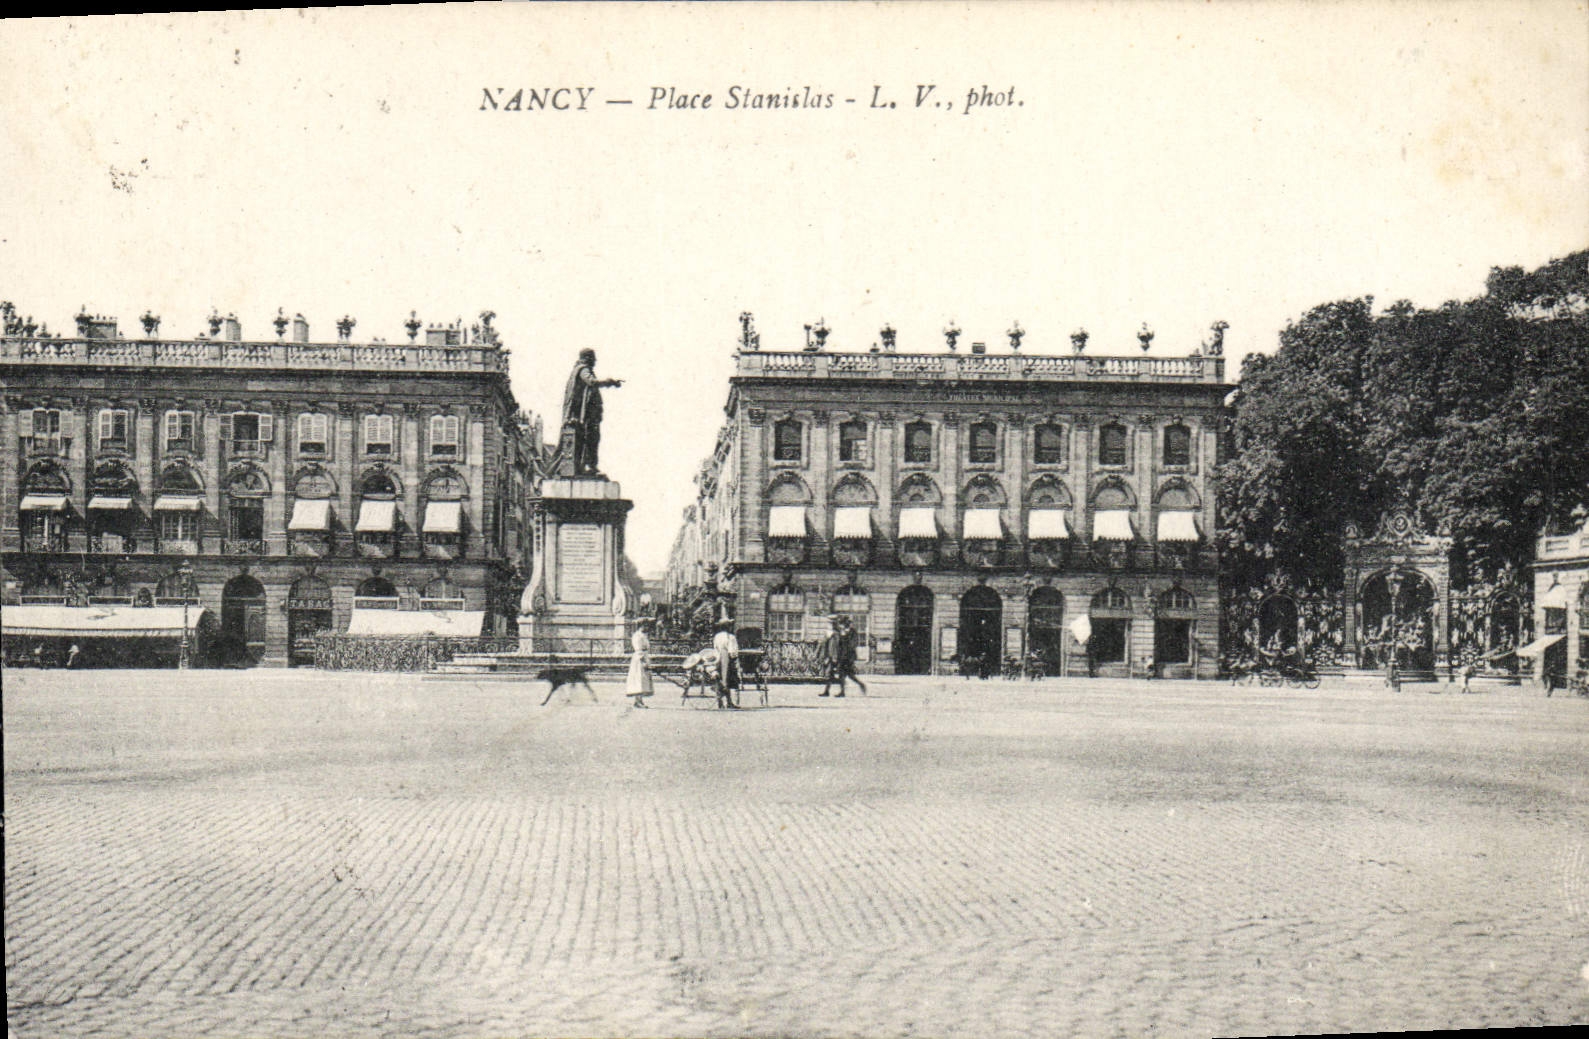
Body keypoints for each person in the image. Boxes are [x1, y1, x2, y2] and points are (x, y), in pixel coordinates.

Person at [560, 348, 623, 476]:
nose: (595, 361)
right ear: (587, 358)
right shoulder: (583, 370)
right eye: (593, 358)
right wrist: (609, 382)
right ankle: (589, 466)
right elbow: (592, 382)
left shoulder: (578, 370)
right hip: (587, 416)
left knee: (590, 439)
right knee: (591, 439)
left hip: (588, 415)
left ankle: (587, 466)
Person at [711, 623, 741, 709]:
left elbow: (715, 647)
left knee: (718, 678)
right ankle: (729, 701)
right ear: (728, 627)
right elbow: (732, 652)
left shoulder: (717, 636)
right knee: (728, 680)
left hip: (718, 659)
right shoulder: (730, 637)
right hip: (727, 660)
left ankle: (720, 702)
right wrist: (735, 657)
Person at [626, 623, 653, 708]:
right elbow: (638, 649)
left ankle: (639, 700)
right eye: (645, 626)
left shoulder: (643, 635)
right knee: (639, 679)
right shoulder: (637, 636)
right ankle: (637, 701)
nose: (647, 628)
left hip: (644, 657)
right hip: (639, 660)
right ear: (641, 626)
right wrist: (643, 661)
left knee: (643, 679)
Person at [818, 617, 843, 697]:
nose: (829, 625)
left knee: (832, 674)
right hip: (828, 656)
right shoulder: (828, 633)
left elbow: (835, 647)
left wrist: (834, 657)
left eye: (831, 624)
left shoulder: (836, 634)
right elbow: (822, 644)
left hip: (833, 657)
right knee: (830, 675)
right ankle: (828, 691)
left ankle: (839, 691)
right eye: (829, 623)